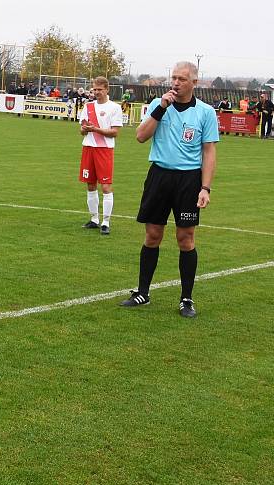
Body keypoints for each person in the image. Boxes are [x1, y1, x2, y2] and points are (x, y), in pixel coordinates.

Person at [120, 61, 218, 318]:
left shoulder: (205, 112)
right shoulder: (157, 104)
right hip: (159, 176)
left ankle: (186, 299)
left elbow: (209, 152)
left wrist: (205, 187)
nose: (175, 82)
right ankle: (143, 293)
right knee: (152, 234)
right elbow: (140, 136)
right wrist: (161, 108)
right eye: (173, 77)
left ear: (194, 83)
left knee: (185, 238)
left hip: (188, 180)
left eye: (182, 79)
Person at [78, 76, 123, 235]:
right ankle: (94, 219)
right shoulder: (88, 106)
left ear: (107, 89)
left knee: (105, 186)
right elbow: (82, 130)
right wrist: (85, 129)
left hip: (104, 150)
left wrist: (95, 129)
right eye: (94, 89)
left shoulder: (114, 108)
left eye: (99, 89)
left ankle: (106, 222)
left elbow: (114, 133)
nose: (96, 92)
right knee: (90, 185)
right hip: (88, 148)